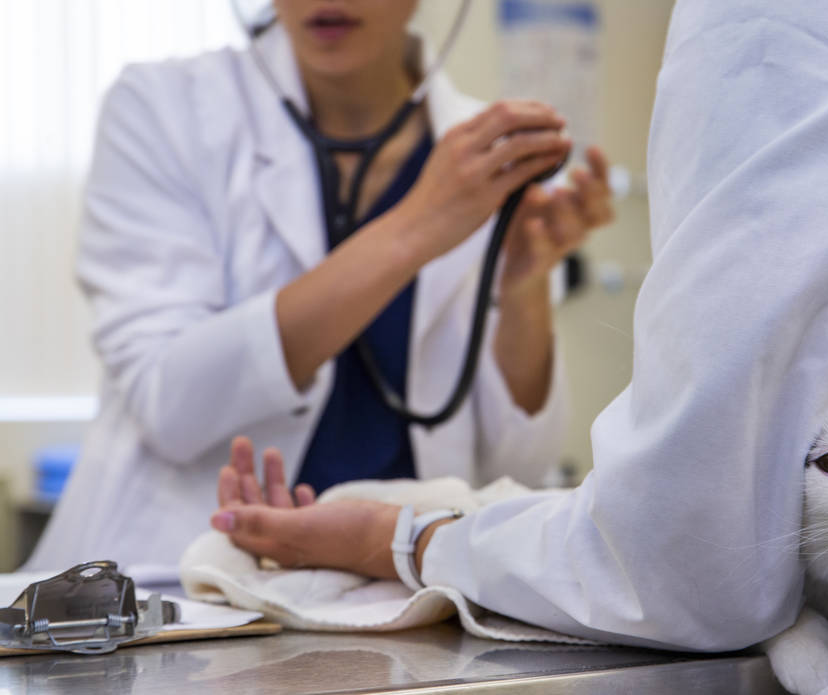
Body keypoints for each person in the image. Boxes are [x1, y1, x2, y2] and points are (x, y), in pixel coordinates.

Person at [213, 0, 828, 690]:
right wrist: (414, 232)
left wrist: (405, 537)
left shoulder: (778, 21)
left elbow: (688, 548)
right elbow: (165, 390)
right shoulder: (175, 105)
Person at [26, 0, 613, 570]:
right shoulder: (163, 110)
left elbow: (518, 467)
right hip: (177, 589)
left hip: (396, 592)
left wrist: (522, 287)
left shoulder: (478, 153)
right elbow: (170, 404)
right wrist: (415, 227)